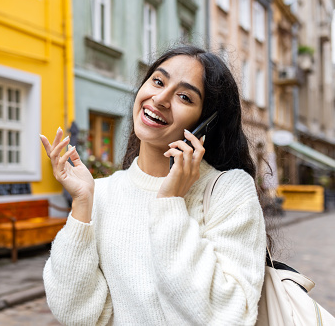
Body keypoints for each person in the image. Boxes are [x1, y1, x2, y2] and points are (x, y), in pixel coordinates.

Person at [39, 45, 267, 325]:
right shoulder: (104, 193)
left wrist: (170, 203)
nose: (160, 98)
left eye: (184, 96)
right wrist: (83, 206)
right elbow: (77, 314)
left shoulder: (229, 191)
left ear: (205, 123)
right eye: (158, 81)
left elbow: (227, 315)